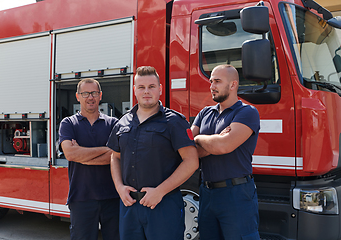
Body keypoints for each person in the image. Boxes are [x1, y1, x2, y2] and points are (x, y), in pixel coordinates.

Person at [107, 66, 199, 240]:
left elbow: (191, 161)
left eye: (151, 86)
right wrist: (119, 188)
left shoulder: (174, 122)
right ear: (134, 90)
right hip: (130, 206)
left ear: (160, 89)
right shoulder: (122, 122)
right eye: (141, 87)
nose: (146, 91)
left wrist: (160, 191)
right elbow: (115, 157)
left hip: (163, 206)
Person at [191, 64, 260, 240]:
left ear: (233, 84)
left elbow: (224, 146)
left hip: (236, 194)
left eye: (217, 81)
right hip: (207, 194)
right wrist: (213, 141)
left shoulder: (247, 112)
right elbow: (190, 150)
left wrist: (200, 139)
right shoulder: (204, 113)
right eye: (211, 81)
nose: (212, 86)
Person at [59, 78, 120, 240]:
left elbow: (117, 156)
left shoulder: (113, 123)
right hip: (81, 198)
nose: (90, 97)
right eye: (85, 93)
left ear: (100, 96)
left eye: (93, 93)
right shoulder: (68, 123)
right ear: (78, 96)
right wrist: (107, 150)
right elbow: (70, 154)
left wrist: (81, 154)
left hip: (112, 197)